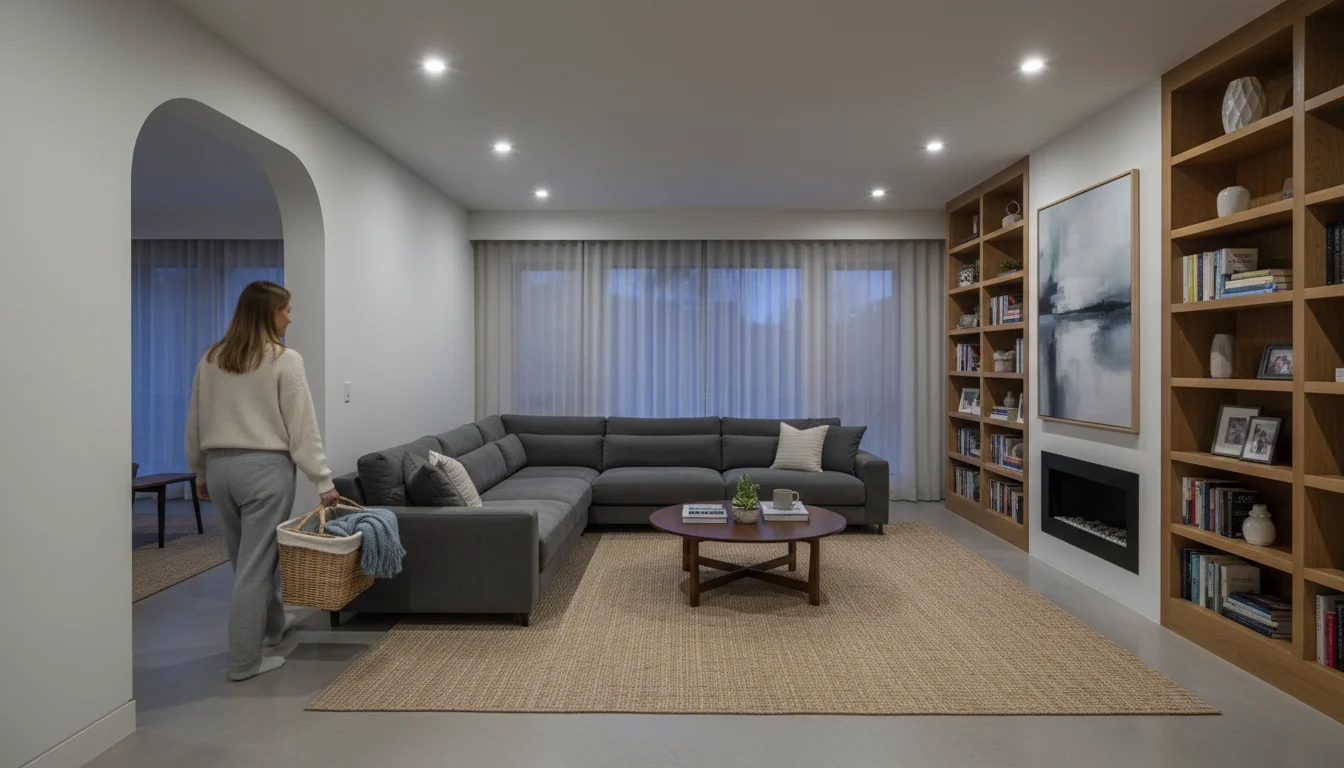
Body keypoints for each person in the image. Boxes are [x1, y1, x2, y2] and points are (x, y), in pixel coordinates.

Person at [185, 281, 338, 681]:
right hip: (265, 470)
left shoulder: (211, 358)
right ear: (269, 313)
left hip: (220, 468)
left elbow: (195, 420)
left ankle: (272, 628)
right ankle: (244, 663)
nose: (290, 317)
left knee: (245, 562)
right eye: (286, 310)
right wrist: (322, 480)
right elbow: (302, 427)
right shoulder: (285, 360)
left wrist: (199, 470)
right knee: (257, 567)